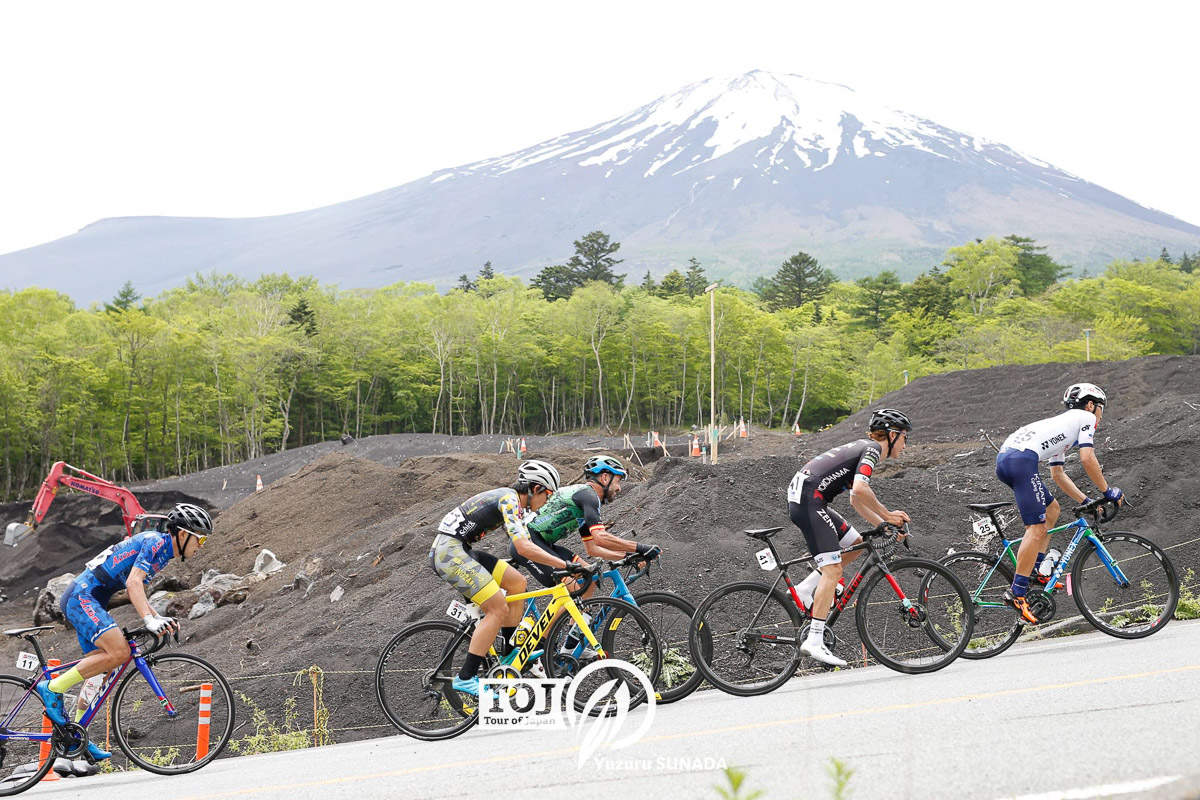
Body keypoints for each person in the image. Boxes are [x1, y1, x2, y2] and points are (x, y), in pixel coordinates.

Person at [35, 502, 214, 762]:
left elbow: (137, 589)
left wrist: (156, 617)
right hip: (82, 596)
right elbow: (132, 584)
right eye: (201, 539)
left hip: (89, 597)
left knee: (100, 669)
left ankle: (74, 737)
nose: (202, 546)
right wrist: (148, 619)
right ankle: (52, 688)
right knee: (118, 652)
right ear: (184, 534)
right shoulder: (155, 542)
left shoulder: (162, 551)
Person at [429, 459, 582, 697]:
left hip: (460, 549)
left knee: (517, 582)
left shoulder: (510, 500)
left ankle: (510, 652)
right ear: (535, 488)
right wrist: (565, 564)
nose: (548, 501)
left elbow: (522, 542)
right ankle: (466, 677)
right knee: (497, 609)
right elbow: (522, 547)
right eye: (548, 494)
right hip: (449, 553)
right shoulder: (509, 499)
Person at [787, 409, 912, 667]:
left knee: (855, 546)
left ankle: (805, 589)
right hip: (810, 502)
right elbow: (860, 488)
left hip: (809, 499)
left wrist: (883, 525)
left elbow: (856, 499)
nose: (905, 444)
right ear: (891, 435)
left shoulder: (863, 447)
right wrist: (888, 516)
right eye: (904, 437)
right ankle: (814, 640)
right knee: (832, 571)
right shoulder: (872, 449)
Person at [996, 383, 1122, 624]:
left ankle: (1037, 570)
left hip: (1011, 458)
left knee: (1052, 509)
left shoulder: (1063, 426)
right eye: (1101, 408)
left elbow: (1058, 475)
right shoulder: (1086, 418)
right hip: (1021, 460)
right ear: (1090, 405)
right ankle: (1017, 592)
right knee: (1035, 528)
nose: (1101, 415)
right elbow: (1087, 457)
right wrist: (1108, 491)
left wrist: (1087, 501)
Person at [510, 455, 660, 656]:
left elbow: (592, 548)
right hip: (528, 543)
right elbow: (600, 537)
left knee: (589, 578)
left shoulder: (583, 500)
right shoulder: (588, 496)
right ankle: (542, 644)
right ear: (605, 478)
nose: (619, 488)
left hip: (544, 542)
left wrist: (626, 555)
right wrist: (640, 547)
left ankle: (570, 648)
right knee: (571, 586)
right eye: (618, 481)